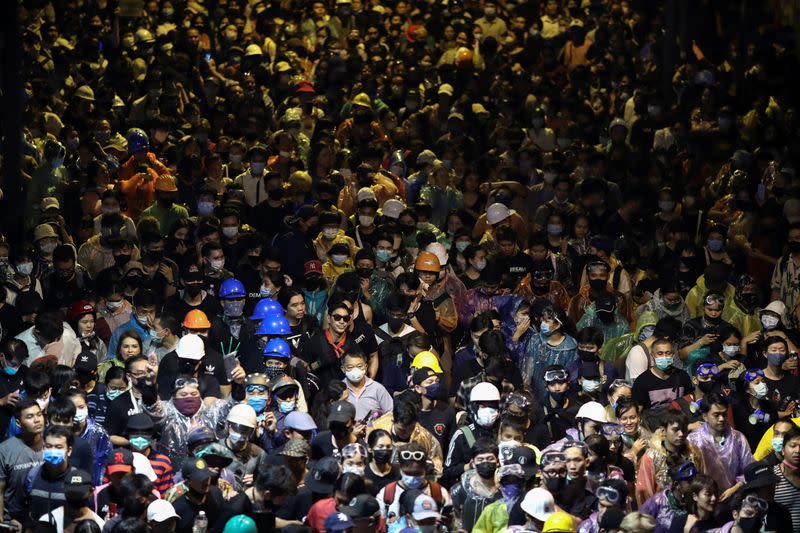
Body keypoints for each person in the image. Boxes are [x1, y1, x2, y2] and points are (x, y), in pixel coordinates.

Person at [375, 443, 452, 521]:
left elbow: (451, 523)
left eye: (417, 473)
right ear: (400, 469)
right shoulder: (387, 493)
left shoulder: (439, 492)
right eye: (408, 473)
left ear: (425, 470)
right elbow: (379, 525)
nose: (412, 478)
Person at [0, 398, 45, 525]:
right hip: (13, 520)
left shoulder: (52, 445)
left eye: (39, 414)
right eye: (30, 416)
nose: (37, 420)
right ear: (19, 423)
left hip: (43, 519)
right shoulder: (5, 450)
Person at [631, 338, 693, 410]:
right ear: (652, 356)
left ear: (673, 355)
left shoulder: (683, 376)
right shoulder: (641, 381)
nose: (664, 357)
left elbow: (690, 403)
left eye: (668, 353)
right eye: (660, 353)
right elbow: (638, 411)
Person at [38, 468, 105, 533]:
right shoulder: (47, 521)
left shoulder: (101, 525)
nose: (75, 497)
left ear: (91, 492)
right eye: (71, 493)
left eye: (79, 493)